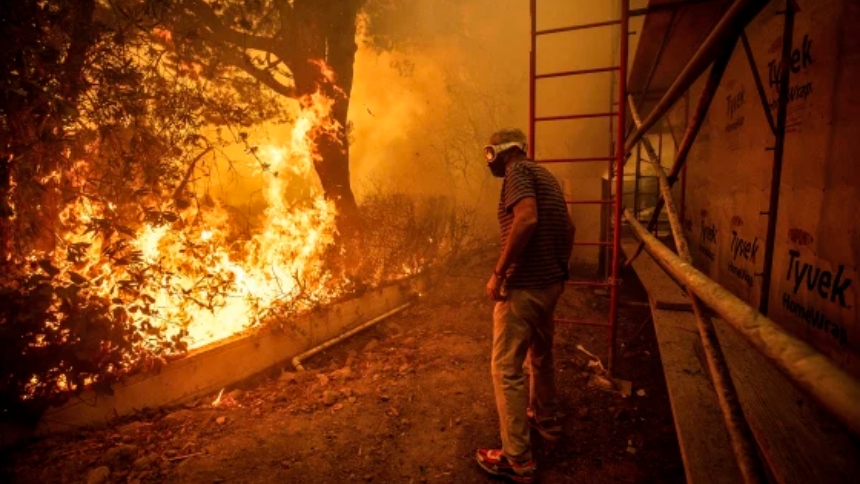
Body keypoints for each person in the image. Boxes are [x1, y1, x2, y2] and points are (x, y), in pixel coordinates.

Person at [475, 128, 575, 483]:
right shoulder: (545, 175)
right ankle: (547, 421)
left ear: (501, 152)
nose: (490, 161)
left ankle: (517, 459)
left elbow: (527, 218)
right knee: (541, 357)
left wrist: (499, 273)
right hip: (549, 285)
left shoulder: (517, 172)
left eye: (490, 153)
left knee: (506, 369)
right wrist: (560, 269)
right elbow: (570, 226)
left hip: (524, 289)